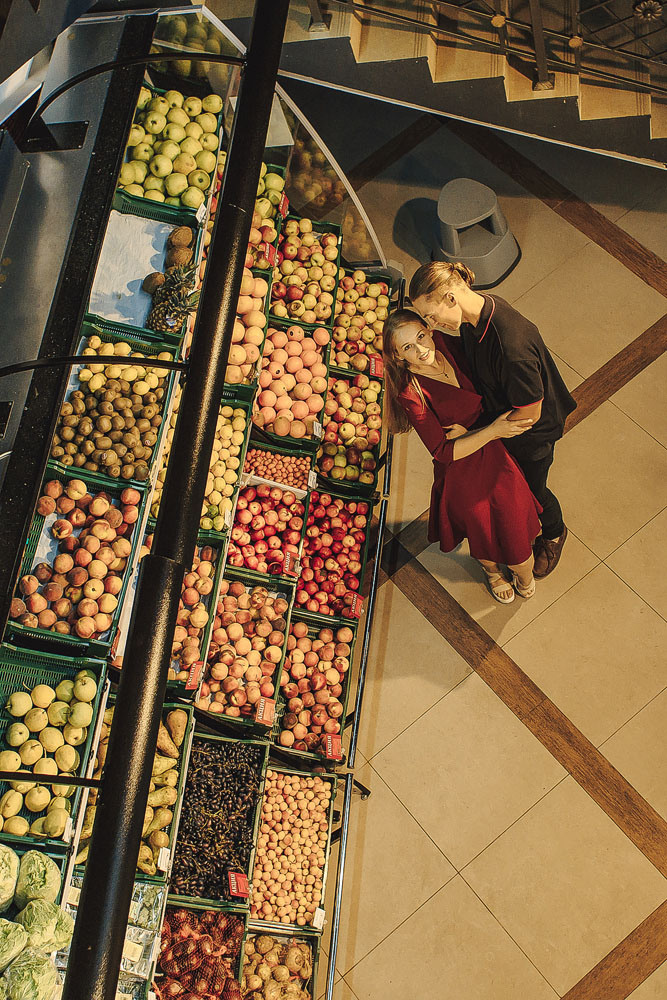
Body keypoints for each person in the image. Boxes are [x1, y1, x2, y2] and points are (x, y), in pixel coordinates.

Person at [409, 262, 576, 578]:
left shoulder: (512, 347)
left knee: (534, 487)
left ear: (450, 298)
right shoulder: (475, 315)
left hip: (532, 435)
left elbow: (528, 415)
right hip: (503, 416)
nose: (431, 324)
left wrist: (483, 430)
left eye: (430, 315)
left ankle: (554, 532)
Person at [383, 308, 542, 603]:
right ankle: (492, 572)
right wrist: (493, 431)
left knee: (516, 536)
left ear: (429, 330)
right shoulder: (410, 393)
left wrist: (477, 430)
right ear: (398, 356)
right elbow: (442, 452)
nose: (420, 349)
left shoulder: (445, 344)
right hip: (462, 472)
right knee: (479, 530)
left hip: (492, 455)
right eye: (407, 347)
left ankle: (523, 574)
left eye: (420, 337)